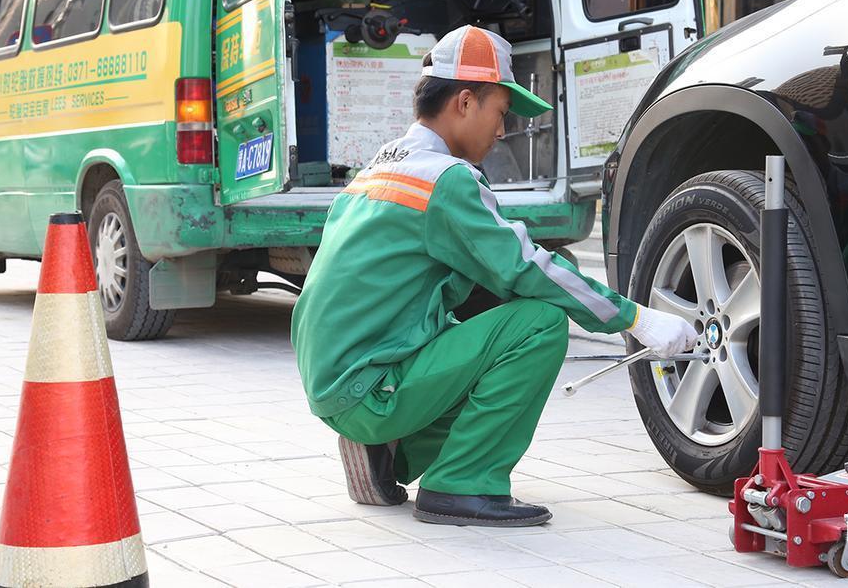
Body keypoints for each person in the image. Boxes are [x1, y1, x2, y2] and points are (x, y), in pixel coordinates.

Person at [291, 26, 697, 527]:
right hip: (368, 387)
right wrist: (636, 318)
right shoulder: (447, 179)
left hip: (339, 376)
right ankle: (460, 485)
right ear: (465, 101)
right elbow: (527, 267)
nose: (502, 131)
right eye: (500, 113)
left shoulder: (378, 167)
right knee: (539, 324)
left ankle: (391, 453)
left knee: (489, 324)